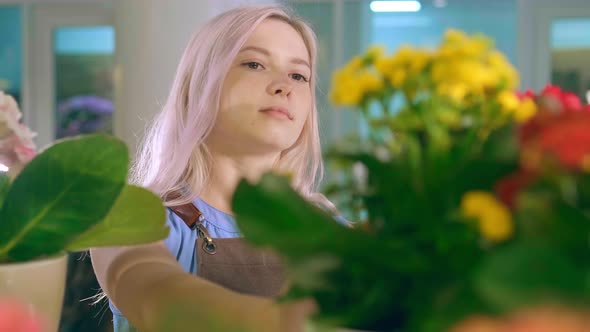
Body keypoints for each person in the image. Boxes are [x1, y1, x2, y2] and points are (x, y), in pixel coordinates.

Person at [91, 4, 342, 332]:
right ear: (200, 85)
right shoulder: (132, 216)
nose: (285, 86)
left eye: (299, 75)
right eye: (254, 64)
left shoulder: (329, 229)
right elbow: (158, 298)